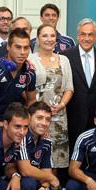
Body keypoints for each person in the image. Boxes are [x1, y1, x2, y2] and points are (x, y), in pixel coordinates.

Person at [28, 23, 74, 170]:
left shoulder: (64, 60)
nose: (49, 39)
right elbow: (26, 89)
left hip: (58, 116)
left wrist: (61, 105)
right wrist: (38, 111)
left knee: (56, 159)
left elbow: (69, 88)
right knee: (36, 155)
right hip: (37, 116)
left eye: (52, 35)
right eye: (44, 36)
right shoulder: (29, 59)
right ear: (37, 39)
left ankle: (53, 183)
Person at [63, 18, 96, 152]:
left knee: (94, 153)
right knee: (73, 153)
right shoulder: (65, 56)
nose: (86, 38)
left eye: (90, 35)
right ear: (77, 36)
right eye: (83, 34)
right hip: (73, 115)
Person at [18, 102, 62, 190]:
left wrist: (44, 187)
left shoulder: (46, 141)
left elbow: (46, 171)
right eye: (39, 118)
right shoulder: (21, 136)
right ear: (29, 117)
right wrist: (51, 178)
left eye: (47, 119)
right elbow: (25, 170)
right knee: (29, 183)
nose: (44, 123)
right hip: (15, 180)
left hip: (36, 181)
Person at [0, 28, 36, 122]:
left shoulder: (29, 72)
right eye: (18, 47)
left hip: (16, 123)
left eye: (26, 48)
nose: (22, 52)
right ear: (8, 47)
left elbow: (32, 101)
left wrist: (26, 122)